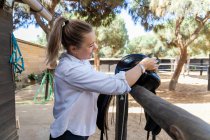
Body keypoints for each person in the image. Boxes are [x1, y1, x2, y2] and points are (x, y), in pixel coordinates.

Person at [47, 17, 158, 140]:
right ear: (73, 48)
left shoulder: (80, 62)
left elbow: (102, 80)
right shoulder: (70, 70)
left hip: (77, 129)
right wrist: (142, 66)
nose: (96, 47)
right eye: (90, 45)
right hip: (69, 133)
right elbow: (117, 85)